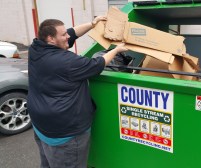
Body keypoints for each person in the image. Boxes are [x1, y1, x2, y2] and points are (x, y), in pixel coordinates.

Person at [28, 16, 127, 168]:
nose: (67, 36)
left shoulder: (36, 48)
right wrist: (117, 50)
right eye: (63, 35)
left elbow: (72, 32)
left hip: (41, 125)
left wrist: (92, 24)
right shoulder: (66, 61)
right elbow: (96, 64)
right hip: (65, 134)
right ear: (51, 39)